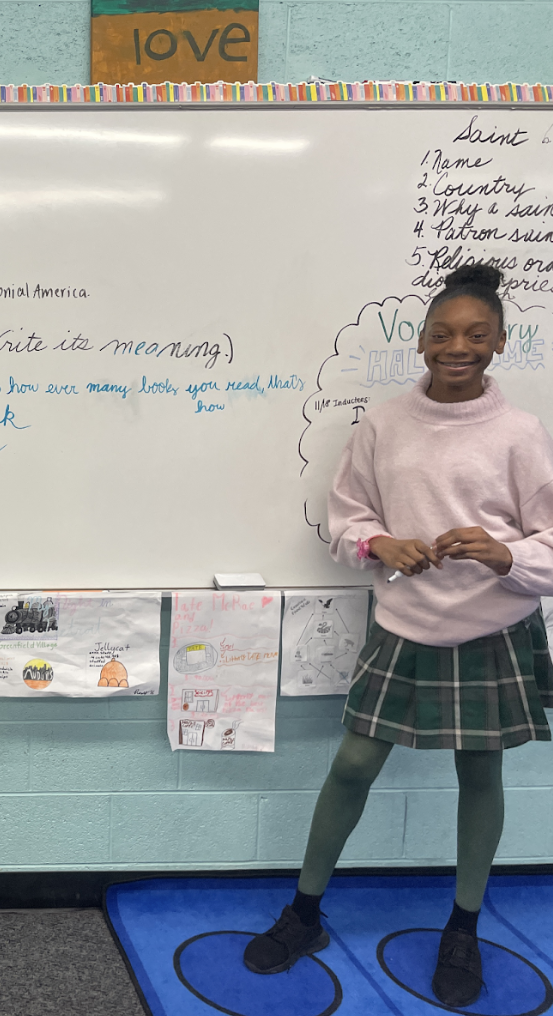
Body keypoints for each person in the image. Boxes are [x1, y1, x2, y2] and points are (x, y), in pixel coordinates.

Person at [244, 264, 553, 1007]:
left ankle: (464, 928)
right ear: (419, 342)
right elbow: (349, 513)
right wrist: (379, 544)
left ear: (500, 343)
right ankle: (306, 913)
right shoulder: (384, 423)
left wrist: (503, 552)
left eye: (477, 335)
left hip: (493, 626)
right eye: (444, 333)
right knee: (352, 764)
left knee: (480, 774)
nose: (459, 347)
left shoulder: (521, 433)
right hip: (405, 623)